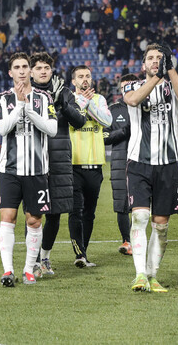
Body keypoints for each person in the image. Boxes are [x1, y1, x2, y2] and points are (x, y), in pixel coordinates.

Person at [123, 43, 178, 293]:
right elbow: (133, 100)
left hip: (168, 164)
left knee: (161, 225)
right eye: (150, 58)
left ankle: (152, 275)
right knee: (140, 217)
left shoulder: (174, 87)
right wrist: (156, 77)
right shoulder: (132, 85)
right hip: (139, 162)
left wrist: (169, 71)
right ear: (143, 64)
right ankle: (139, 274)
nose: (155, 61)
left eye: (160, 58)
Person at [0, 52, 58, 287]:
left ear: (30, 71)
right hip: (10, 170)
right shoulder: (2, 98)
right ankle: (8, 270)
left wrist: (28, 108)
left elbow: (52, 129)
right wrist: (19, 105)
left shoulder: (44, 97)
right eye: (17, 67)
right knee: (8, 218)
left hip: (37, 170)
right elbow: (3, 129)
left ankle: (29, 269)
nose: (21, 71)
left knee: (34, 221)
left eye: (25, 66)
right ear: (10, 72)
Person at [30, 53, 86, 276]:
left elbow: (80, 121)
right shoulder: (26, 93)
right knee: (33, 213)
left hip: (59, 160)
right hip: (33, 159)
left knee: (55, 214)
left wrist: (62, 104)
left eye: (47, 67)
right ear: (32, 72)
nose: (43, 71)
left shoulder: (64, 92)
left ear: (52, 70)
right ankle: (32, 261)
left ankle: (44, 258)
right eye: (39, 68)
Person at [68, 65, 112, 267]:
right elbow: (70, 122)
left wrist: (88, 104)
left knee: (89, 213)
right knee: (75, 211)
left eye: (87, 76)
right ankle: (79, 254)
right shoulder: (68, 99)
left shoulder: (99, 99)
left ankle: (83, 253)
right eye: (80, 76)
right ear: (73, 81)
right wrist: (81, 102)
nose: (84, 79)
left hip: (95, 165)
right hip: (74, 165)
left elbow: (107, 121)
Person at [104, 73, 140, 256]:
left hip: (141, 160)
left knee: (140, 204)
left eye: (131, 85)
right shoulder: (112, 109)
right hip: (120, 162)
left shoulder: (144, 106)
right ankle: (127, 241)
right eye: (124, 86)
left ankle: (137, 240)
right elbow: (104, 137)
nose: (127, 89)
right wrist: (124, 132)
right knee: (121, 204)